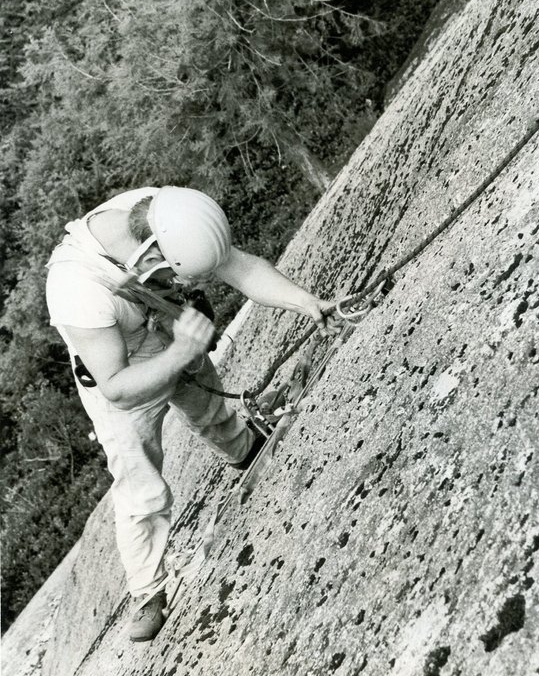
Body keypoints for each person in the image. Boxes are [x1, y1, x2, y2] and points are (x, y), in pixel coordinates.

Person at [46, 185, 337, 642]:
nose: (191, 285)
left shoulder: (168, 215)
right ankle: (147, 591)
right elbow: (118, 389)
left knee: (206, 401)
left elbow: (239, 267)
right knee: (139, 483)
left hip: (163, 321)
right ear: (149, 260)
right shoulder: (75, 288)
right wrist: (181, 350)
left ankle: (242, 448)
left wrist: (307, 303)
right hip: (118, 368)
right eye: (180, 277)